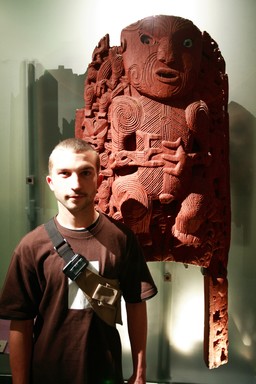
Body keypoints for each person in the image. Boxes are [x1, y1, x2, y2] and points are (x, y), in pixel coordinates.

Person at [0, 138, 157, 384]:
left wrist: (139, 371)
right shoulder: (31, 247)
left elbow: (136, 303)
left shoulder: (121, 239)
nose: (76, 184)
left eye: (85, 173)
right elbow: (20, 322)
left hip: (105, 372)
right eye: (65, 174)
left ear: (99, 180)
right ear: (51, 182)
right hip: (48, 374)